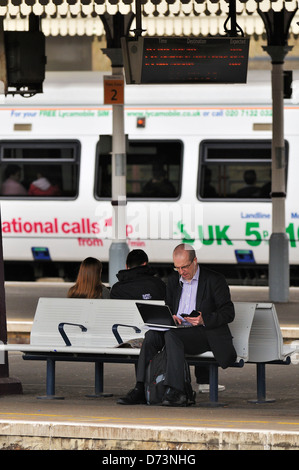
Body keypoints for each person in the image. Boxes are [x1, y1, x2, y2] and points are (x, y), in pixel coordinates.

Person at [117, 243, 236, 406]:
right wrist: (170, 317)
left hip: (204, 332)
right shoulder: (174, 280)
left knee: (172, 336)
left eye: (184, 267)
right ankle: (140, 387)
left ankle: (177, 390)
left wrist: (204, 319)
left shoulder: (213, 280)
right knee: (151, 336)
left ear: (195, 261)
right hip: (177, 329)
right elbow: (170, 307)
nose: (181, 272)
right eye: (177, 268)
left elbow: (229, 312)